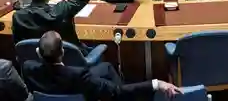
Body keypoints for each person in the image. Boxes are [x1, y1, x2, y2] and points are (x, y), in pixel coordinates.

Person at [22, 31, 180, 101]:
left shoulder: (27, 68)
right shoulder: (80, 76)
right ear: (62, 52)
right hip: (79, 91)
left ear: (38, 53)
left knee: (106, 67)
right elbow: (116, 91)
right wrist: (157, 83)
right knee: (117, 92)